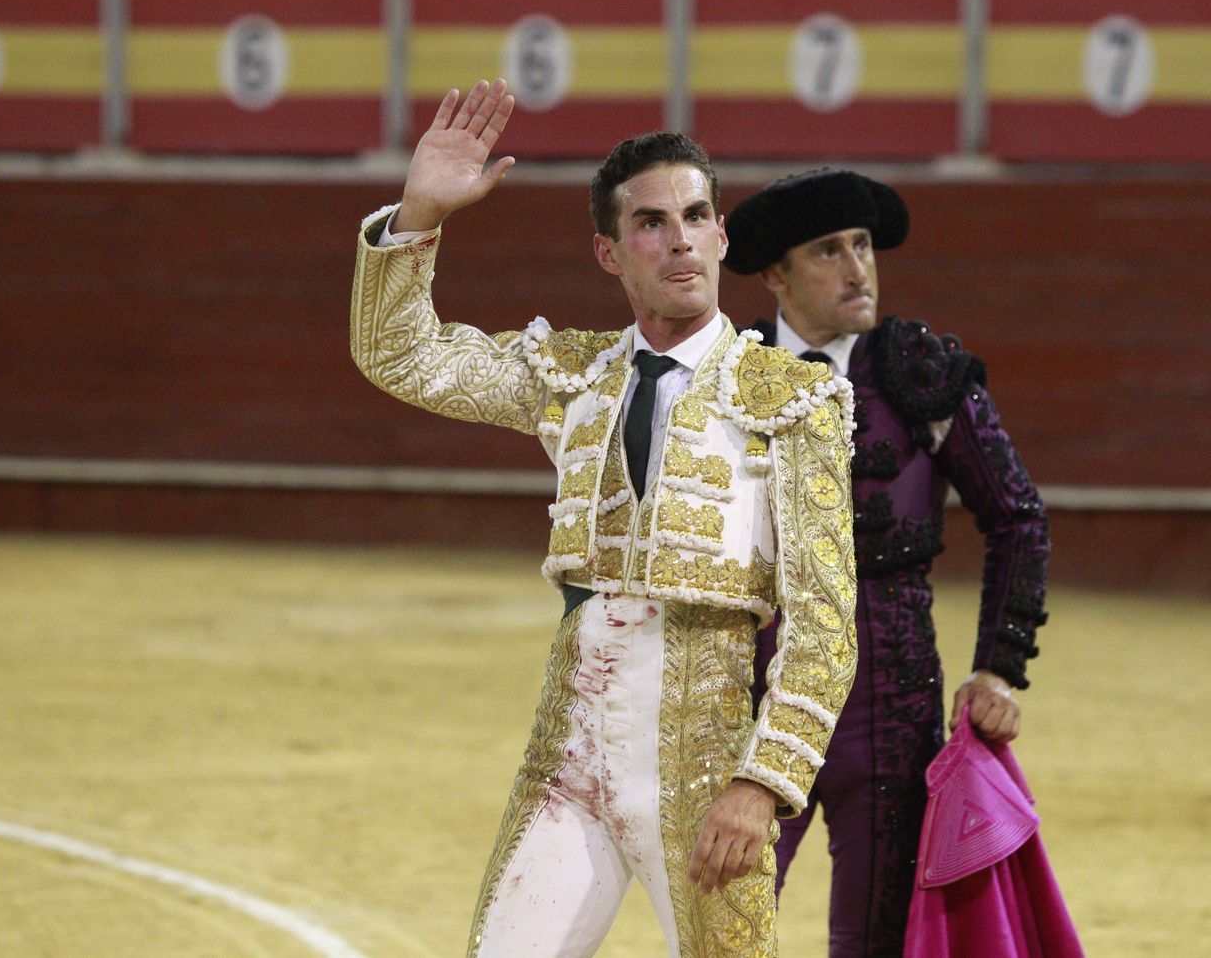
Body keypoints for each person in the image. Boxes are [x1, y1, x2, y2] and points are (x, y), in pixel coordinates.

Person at [350, 80, 858, 958]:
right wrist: (419, 215)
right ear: (609, 253)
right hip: (568, 749)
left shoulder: (794, 397)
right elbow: (403, 354)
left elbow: (824, 618)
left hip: (705, 760)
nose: (680, 240)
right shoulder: (572, 376)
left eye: (697, 216)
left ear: (723, 235)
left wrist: (765, 780)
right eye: (652, 223)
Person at [725, 168, 1051, 958]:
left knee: (875, 941)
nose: (856, 267)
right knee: (721, 930)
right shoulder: (727, 380)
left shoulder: (917, 372)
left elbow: (1016, 514)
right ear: (776, 273)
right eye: (828, 251)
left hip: (891, 705)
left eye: (863, 246)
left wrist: (998, 668)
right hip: (752, 702)